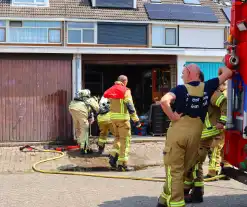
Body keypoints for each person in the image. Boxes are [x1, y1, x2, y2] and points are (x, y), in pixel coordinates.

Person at [156, 64, 233, 207]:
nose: (181, 76)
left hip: (179, 133)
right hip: (196, 135)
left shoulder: (180, 89)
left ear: (190, 73)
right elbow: (229, 72)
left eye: (183, 73)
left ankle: (176, 201)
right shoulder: (208, 87)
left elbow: (164, 101)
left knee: (175, 170)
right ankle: (164, 199)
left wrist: (172, 116)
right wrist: (222, 69)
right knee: (186, 168)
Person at [183, 73, 229, 204]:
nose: (182, 77)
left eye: (184, 74)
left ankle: (186, 190)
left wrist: (223, 121)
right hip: (199, 134)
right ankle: (197, 193)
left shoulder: (208, 91)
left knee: (192, 162)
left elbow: (223, 102)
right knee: (196, 163)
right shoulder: (193, 92)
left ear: (196, 78)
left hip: (207, 133)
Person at [104, 75, 141, 171]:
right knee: (125, 141)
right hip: (123, 120)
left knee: (117, 138)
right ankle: (122, 164)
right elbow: (130, 105)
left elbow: (108, 104)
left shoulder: (111, 90)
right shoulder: (125, 90)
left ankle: (112, 157)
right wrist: (136, 120)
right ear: (124, 81)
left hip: (113, 119)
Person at [68, 89, 99, 155]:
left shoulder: (75, 100)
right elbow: (97, 108)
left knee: (78, 127)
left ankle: (79, 143)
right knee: (85, 129)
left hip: (72, 110)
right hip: (81, 112)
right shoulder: (90, 100)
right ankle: (84, 149)